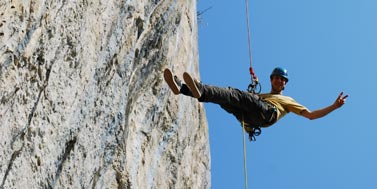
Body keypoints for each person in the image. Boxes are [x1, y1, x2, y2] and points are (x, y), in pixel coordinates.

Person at [163, 67, 348, 139]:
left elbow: (311, 116)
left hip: (267, 113)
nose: (280, 81)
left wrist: (334, 106)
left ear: (285, 84)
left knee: (234, 94)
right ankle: (182, 89)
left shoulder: (288, 101)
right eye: (277, 78)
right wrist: (249, 129)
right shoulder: (263, 96)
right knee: (224, 100)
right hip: (250, 118)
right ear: (271, 79)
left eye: (283, 80)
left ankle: (199, 89)